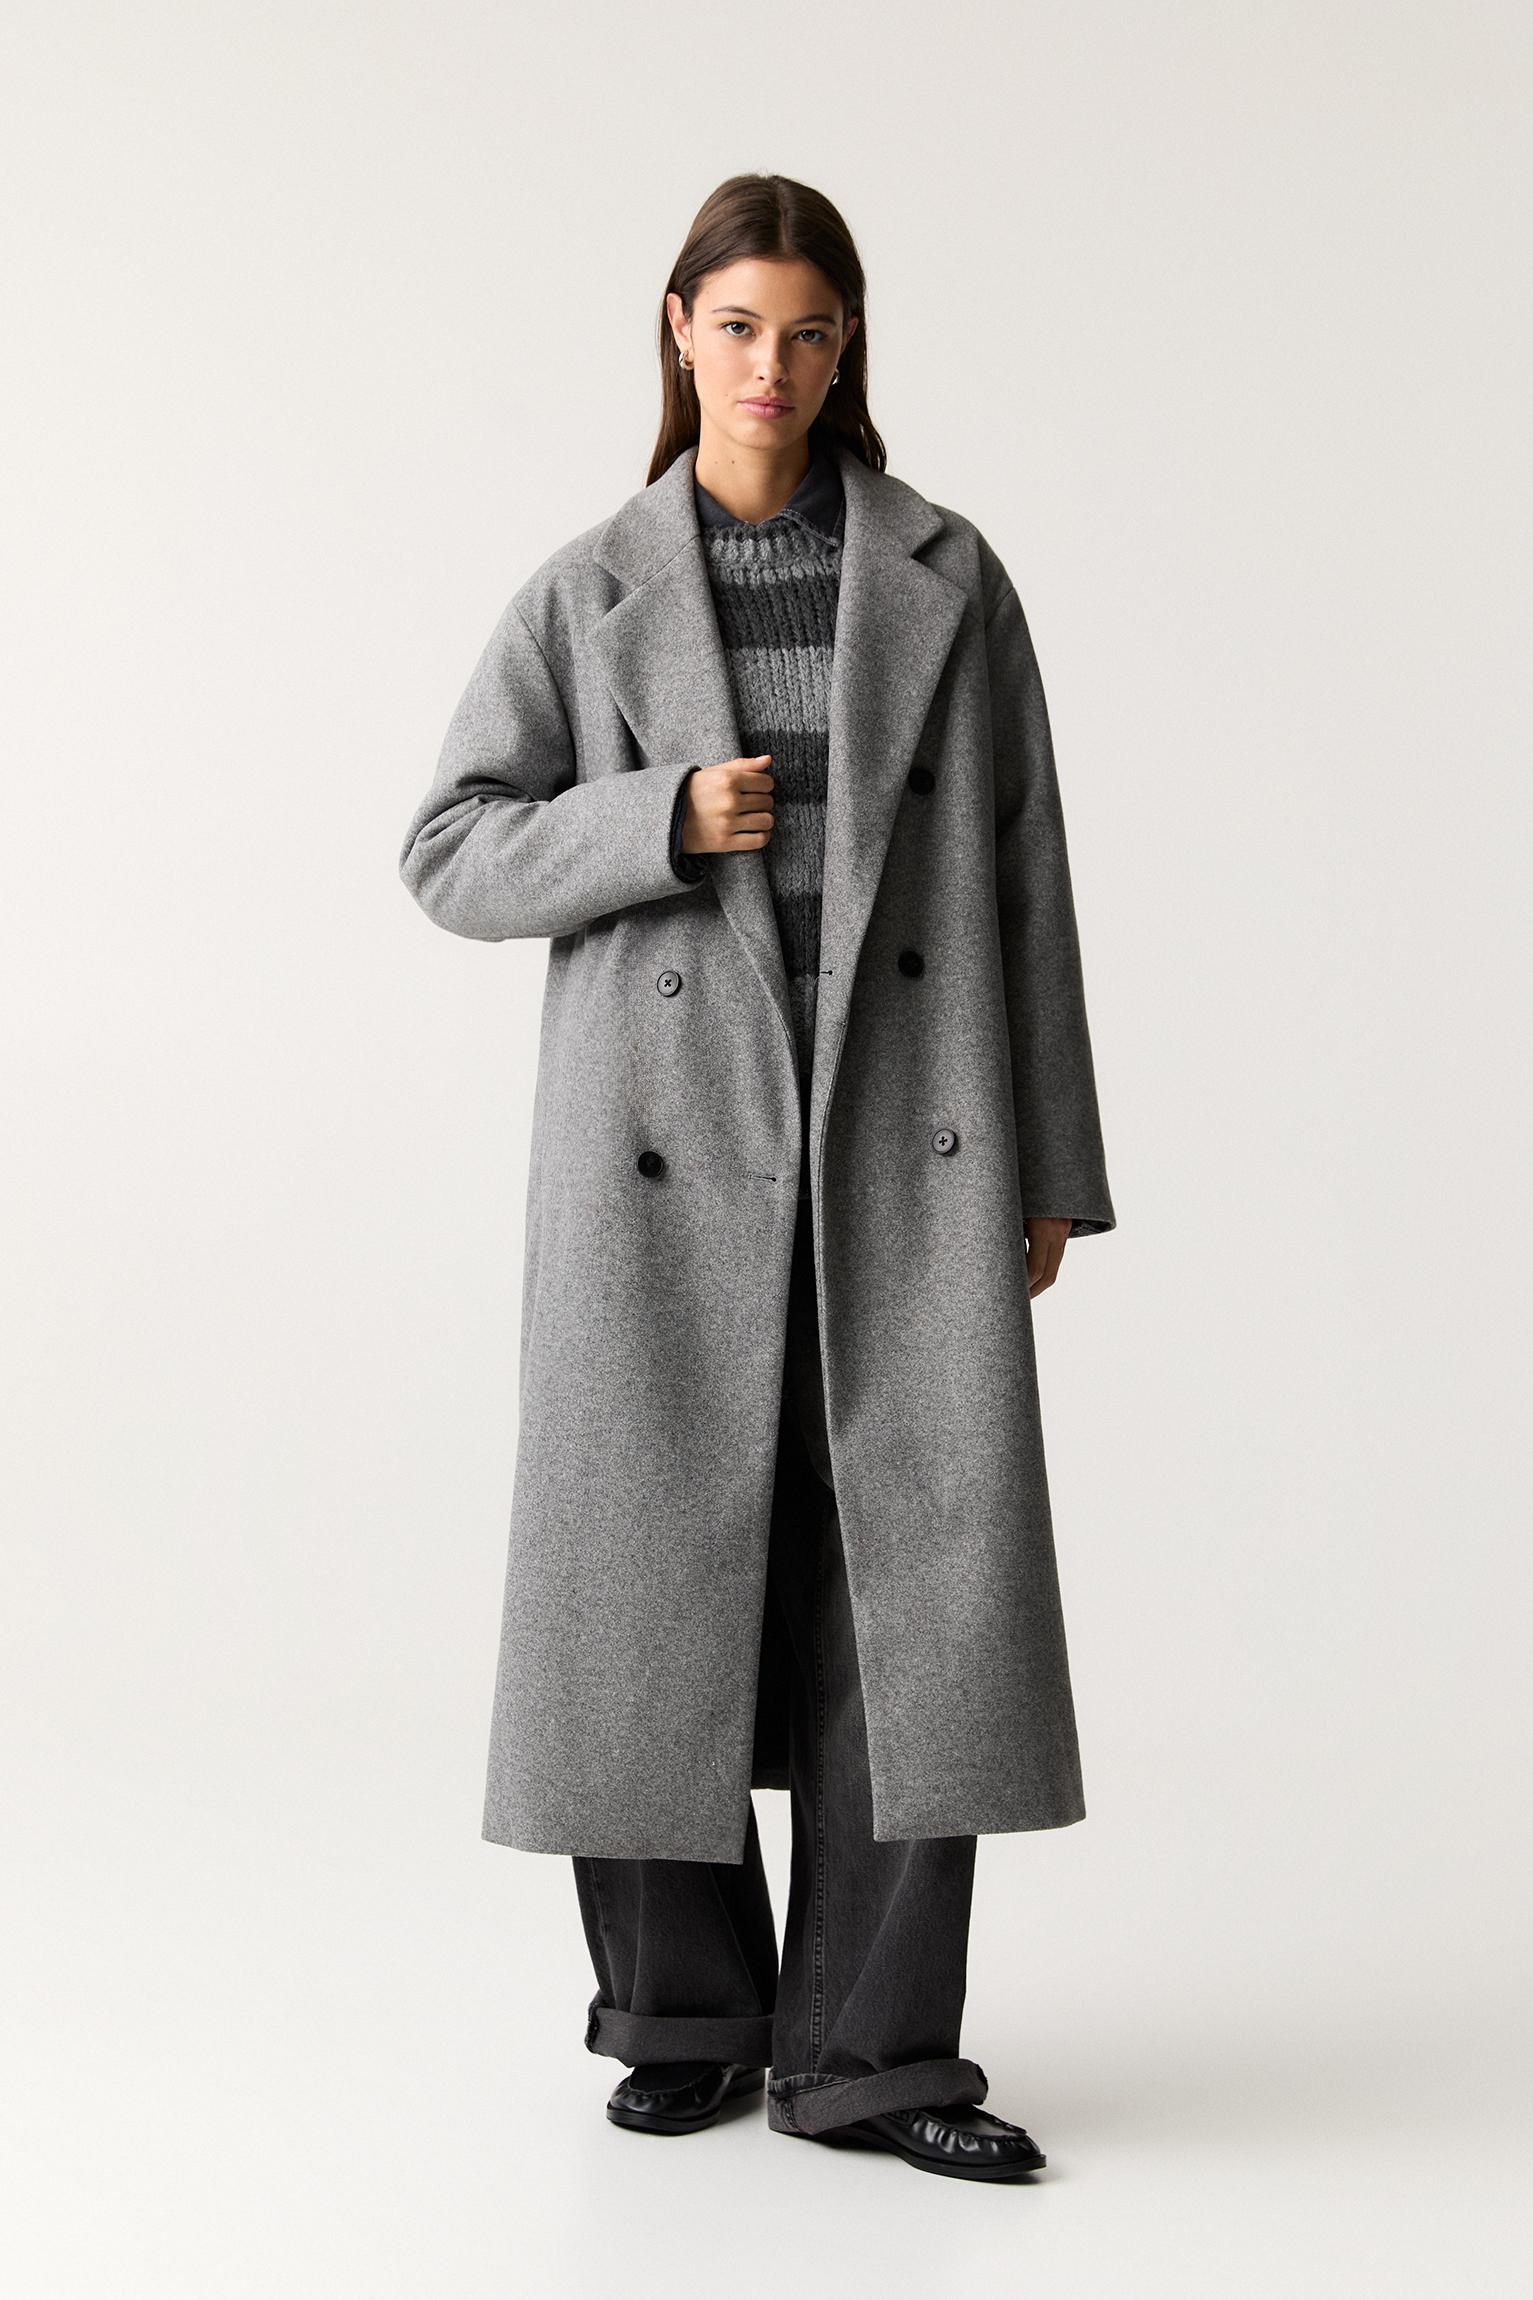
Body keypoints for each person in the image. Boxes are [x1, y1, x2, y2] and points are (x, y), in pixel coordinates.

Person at [398, 173, 1116, 2185]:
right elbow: (448, 847)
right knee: (647, 1581)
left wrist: (1052, 1164)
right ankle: (685, 2018)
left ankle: (871, 2054)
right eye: (736, 328)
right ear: (676, 330)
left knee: (912, 1589)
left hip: (905, 1143)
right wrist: (651, 818)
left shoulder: (947, 575)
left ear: (846, 344)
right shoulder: (587, 590)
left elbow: (1027, 877)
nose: (770, 367)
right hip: (660, 1163)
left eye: (807, 332)